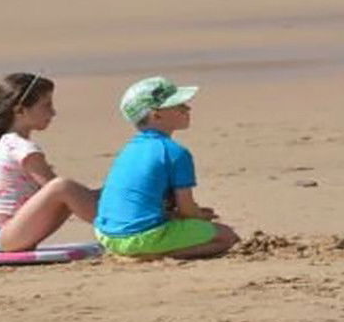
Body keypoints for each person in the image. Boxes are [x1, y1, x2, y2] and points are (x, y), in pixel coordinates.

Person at [94, 76, 239, 259]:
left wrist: (182, 215)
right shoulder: (174, 152)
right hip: (140, 238)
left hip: (106, 235)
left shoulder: (130, 149)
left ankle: (142, 250)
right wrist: (199, 217)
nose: (187, 109)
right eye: (179, 106)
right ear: (156, 115)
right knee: (226, 236)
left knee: (187, 224)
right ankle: (155, 255)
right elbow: (186, 209)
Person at [0, 73, 98, 252]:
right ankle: (116, 229)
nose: (53, 112)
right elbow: (53, 185)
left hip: (11, 234)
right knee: (63, 187)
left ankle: (117, 222)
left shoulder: (9, 143)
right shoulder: (19, 146)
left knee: (75, 193)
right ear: (20, 110)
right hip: (4, 236)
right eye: (46, 105)